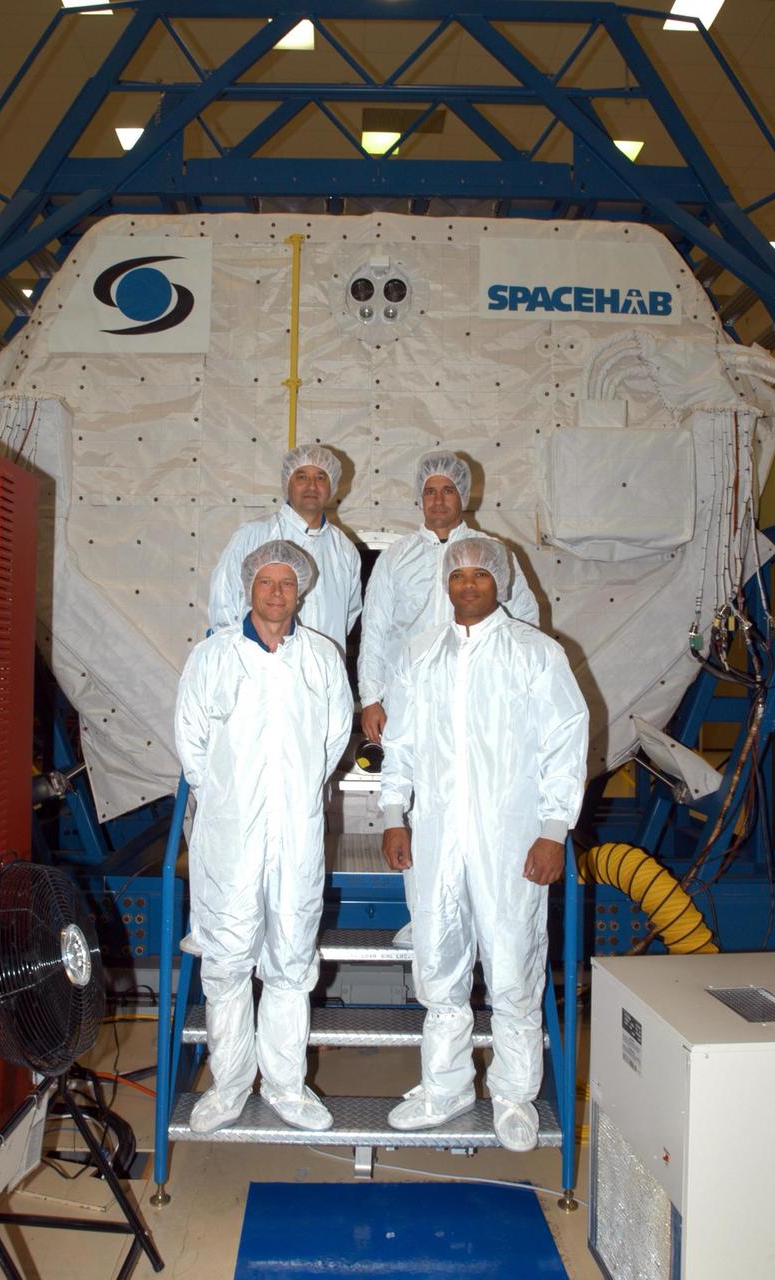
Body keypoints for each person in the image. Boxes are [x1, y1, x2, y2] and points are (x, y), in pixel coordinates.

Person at [379, 536, 588, 1152]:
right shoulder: (421, 654)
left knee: (513, 962)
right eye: (458, 575)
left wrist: (553, 832)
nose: (468, 585)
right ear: (445, 584)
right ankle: (445, 1089)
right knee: (439, 964)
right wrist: (395, 813)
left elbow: (564, 744)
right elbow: (403, 746)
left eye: (480, 575)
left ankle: (515, 1095)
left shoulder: (534, 653)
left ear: (500, 582)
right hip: (439, 838)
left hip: (511, 840)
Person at [175, 539, 354, 1134]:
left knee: (290, 961)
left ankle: (285, 1086)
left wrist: (292, 794)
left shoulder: (322, 658)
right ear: (248, 588)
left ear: (299, 591)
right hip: (228, 838)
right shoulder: (213, 656)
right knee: (225, 962)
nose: (275, 594)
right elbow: (192, 743)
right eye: (264, 583)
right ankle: (227, 1086)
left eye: (286, 584)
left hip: (296, 838)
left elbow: (333, 740)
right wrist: (230, 801)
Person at [358, 449, 539, 745]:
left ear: (463, 496)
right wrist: (371, 698)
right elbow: (375, 629)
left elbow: (525, 622)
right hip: (410, 697)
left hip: (481, 695)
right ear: (420, 497)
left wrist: (518, 687)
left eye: (447, 491)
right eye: (430, 491)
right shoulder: (395, 557)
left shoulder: (493, 552)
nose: (438, 501)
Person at [208, 444, 362, 653]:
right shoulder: (253, 535)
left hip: (323, 673)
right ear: (287, 483)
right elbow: (223, 604)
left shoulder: (344, 549)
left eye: (320, 477)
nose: (311, 486)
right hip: (260, 671)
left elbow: (349, 614)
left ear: (332, 486)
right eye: (301, 476)